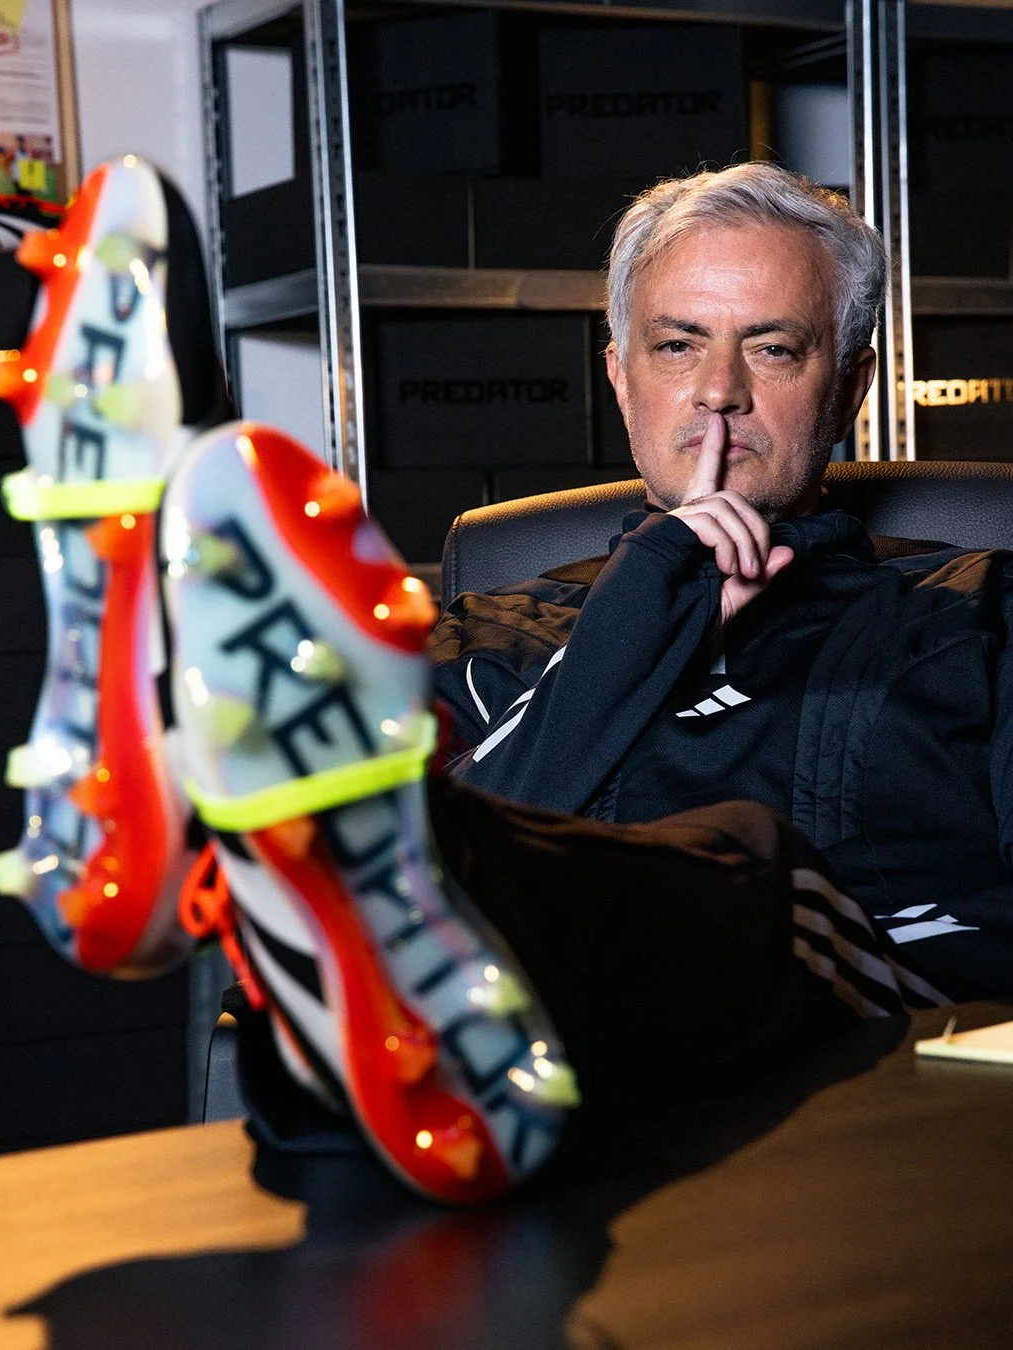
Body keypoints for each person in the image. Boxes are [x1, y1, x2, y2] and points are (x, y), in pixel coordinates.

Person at [428, 163, 1013, 1091]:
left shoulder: (979, 614)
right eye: (676, 346)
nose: (719, 392)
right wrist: (619, 640)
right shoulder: (483, 640)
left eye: (773, 348)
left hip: (891, 1105)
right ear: (621, 378)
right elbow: (410, 916)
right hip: (548, 1121)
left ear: (851, 385)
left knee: (753, 866)